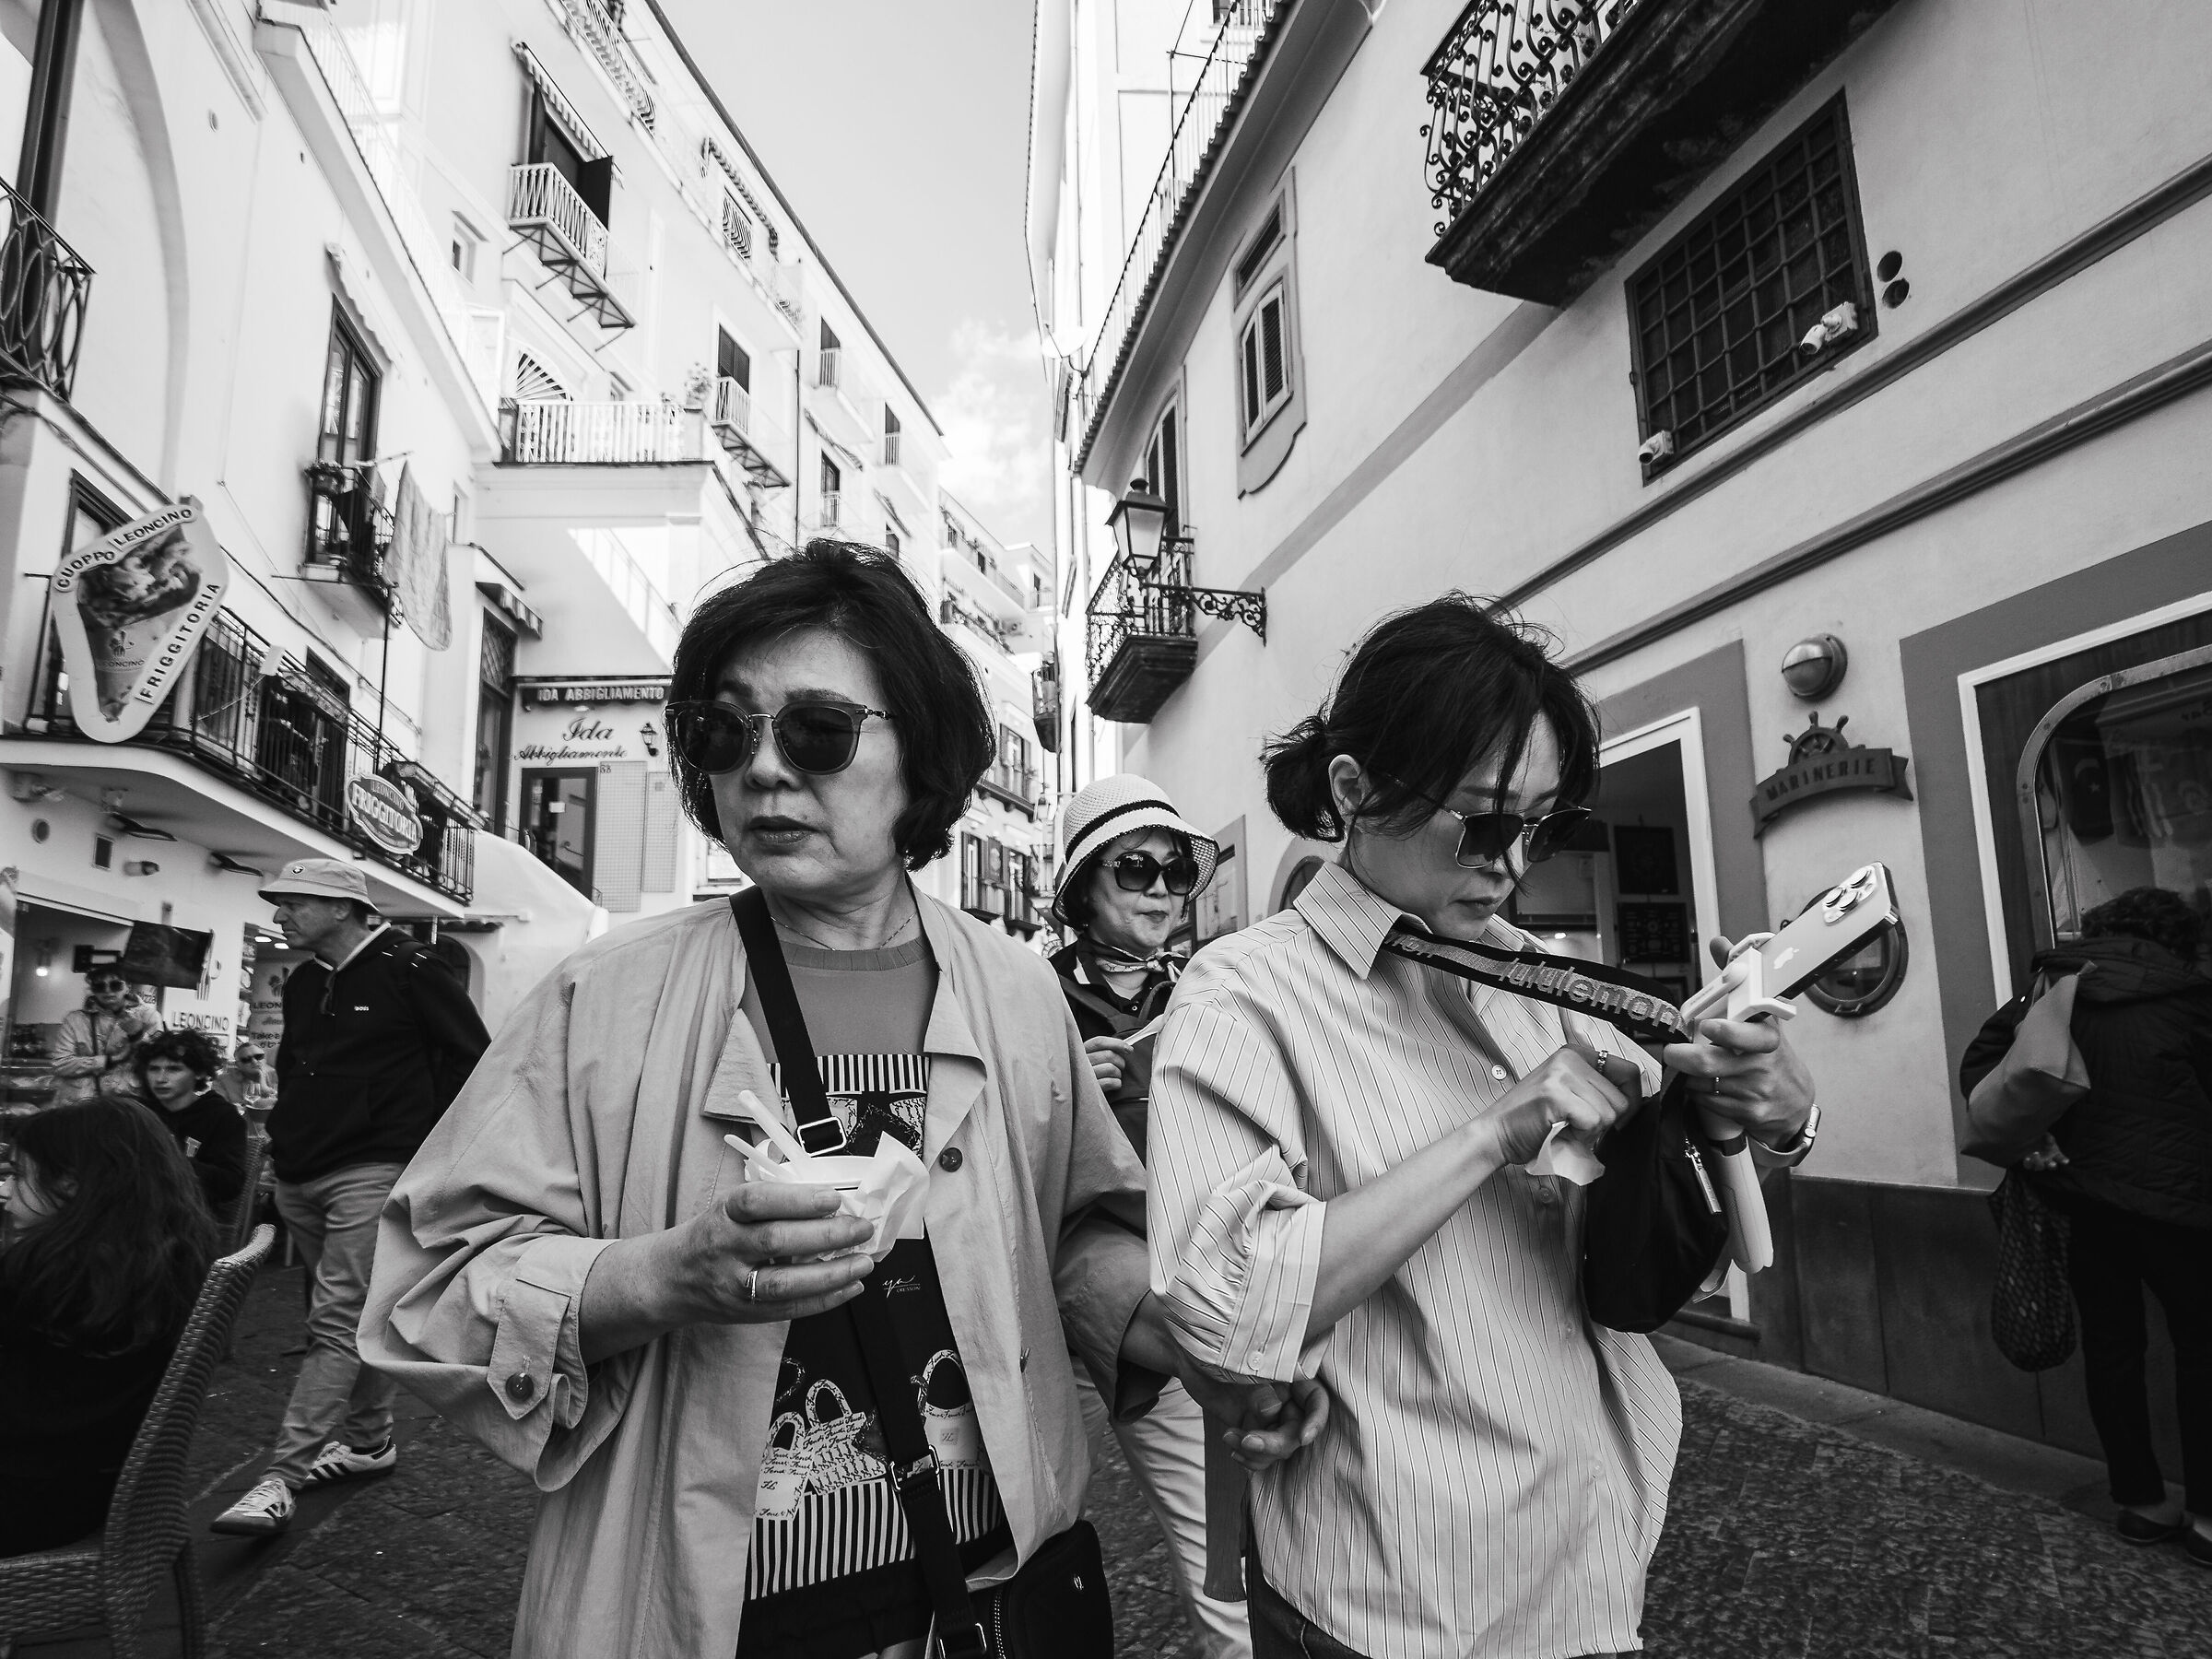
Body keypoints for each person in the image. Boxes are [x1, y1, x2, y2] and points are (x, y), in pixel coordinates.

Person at [359, 541, 1321, 1659]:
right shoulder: (604, 998)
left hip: (995, 1600)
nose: (764, 769)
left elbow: (1068, 1236)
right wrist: (659, 1277)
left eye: (816, 731)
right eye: (725, 732)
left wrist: (1183, 1336)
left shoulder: (1012, 994)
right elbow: (426, 1286)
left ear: (923, 756)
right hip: (706, 1613)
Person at [1148, 594, 1818, 1659]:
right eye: (1484, 821)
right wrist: (1487, 1135)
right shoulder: (1244, 994)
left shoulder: (1542, 979)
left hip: (1592, 1558)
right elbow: (1221, 1304)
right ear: (1354, 792)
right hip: (1393, 1594)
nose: (1513, 861)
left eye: (1541, 825)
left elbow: (1670, 1209)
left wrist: (1768, 1118)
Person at [211, 860, 491, 1537]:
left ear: (341, 907)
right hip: (303, 1171)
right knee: (348, 1315)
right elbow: (294, 1070)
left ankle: (280, 1478)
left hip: (374, 1167)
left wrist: (435, 1157)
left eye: (292, 903)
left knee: (334, 1319)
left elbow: (476, 1061)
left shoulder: (412, 967)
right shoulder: (308, 981)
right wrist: (282, 1147)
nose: (280, 915)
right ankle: (368, 1442)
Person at [1048, 775, 1250, 1658]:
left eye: (1176, 874)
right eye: (1136, 870)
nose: (1163, 891)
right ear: (1084, 885)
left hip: (1225, 1292)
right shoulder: (1030, 1000)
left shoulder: (1210, 989)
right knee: (1219, 1575)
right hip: (1109, 1311)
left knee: (1261, 1552)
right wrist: (1061, 1097)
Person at [1961, 885, 2211, 1564]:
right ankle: (2207, 1519)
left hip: (2084, 1199)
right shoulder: (2192, 998)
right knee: (2203, 1352)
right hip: (2184, 1207)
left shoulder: (2055, 986)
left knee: (2113, 1346)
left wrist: (2031, 1137)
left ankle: (2140, 1502)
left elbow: (1983, 1063)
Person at [2, 1095, 221, 1556]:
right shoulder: (159, 1257)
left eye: (19, 1175)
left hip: (31, 1499)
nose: (6, 1190)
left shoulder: (47, 1272)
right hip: (99, 1486)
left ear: (71, 1183)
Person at [132, 1028, 249, 1213]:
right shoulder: (137, 1112)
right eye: (154, 1069)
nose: (161, 1079)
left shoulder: (221, 1117)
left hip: (191, 1219)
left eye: (173, 1069)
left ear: (200, 1073)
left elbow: (229, 1184)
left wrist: (168, 1159)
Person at [44, 967, 161, 1105]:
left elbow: (159, 1062)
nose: (107, 990)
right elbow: (60, 1064)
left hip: (125, 1104)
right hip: (78, 1106)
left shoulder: (147, 1016)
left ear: (127, 987)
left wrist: (138, 1036)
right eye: (99, 986)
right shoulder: (75, 1019)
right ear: (93, 990)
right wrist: (109, 1060)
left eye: (115, 985)